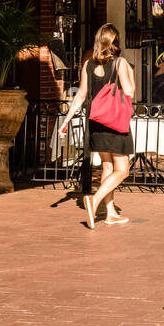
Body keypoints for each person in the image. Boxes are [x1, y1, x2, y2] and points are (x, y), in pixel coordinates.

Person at [59, 24, 135, 230]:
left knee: (107, 167)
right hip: (115, 123)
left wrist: (66, 121)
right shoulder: (120, 63)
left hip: (96, 122)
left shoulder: (88, 65)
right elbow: (129, 91)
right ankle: (95, 200)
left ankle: (110, 213)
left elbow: (81, 96)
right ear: (115, 42)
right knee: (123, 170)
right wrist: (129, 70)